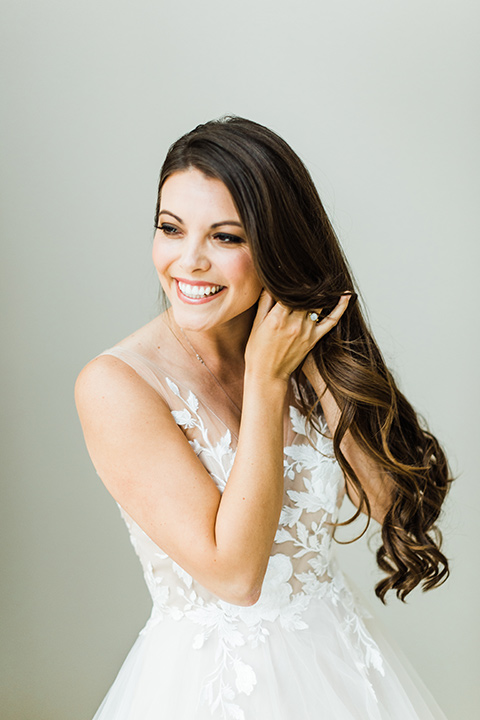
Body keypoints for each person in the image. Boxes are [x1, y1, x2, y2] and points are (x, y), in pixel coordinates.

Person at [75, 116, 452, 720]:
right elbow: (235, 577)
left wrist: (319, 360)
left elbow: (386, 501)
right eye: (170, 229)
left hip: (342, 665)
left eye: (226, 237)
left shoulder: (291, 347)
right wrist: (267, 381)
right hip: (215, 686)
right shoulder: (117, 385)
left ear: (277, 246)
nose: (188, 261)